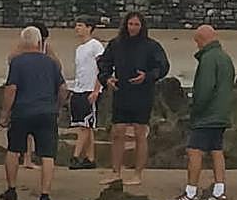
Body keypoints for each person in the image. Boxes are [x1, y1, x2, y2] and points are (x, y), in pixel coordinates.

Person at [96, 11, 170, 186]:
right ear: (125, 25)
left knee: (139, 133)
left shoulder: (151, 46)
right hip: (121, 92)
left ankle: (137, 174)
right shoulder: (116, 44)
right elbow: (103, 64)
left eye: (137, 24)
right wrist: (106, 79)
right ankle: (115, 172)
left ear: (142, 26)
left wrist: (148, 76)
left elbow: (163, 66)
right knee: (117, 132)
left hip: (142, 93)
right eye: (131, 24)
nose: (133, 27)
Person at [0, 26, 67, 200]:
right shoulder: (51, 63)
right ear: (39, 42)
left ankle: (11, 189)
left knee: (14, 150)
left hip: (22, 112)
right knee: (47, 155)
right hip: (47, 112)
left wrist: (5, 114)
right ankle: (45, 195)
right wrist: (58, 106)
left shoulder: (17, 62)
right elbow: (62, 88)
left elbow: (11, 89)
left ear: (22, 42)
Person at [168, 24, 235, 200]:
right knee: (216, 151)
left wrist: (195, 109)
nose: (196, 46)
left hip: (207, 115)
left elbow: (204, 89)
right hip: (221, 114)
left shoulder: (208, 59)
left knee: (194, 151)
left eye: (197, 41)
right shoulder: (225, 58)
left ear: (202, 40)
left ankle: (191, 192)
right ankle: (219, 191)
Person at [9, 23, 61, 170]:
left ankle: (28, 159)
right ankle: (26, 158)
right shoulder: (22, 47)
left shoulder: (46, 48)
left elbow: (57, 64)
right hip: (30, 90)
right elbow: (11, 58)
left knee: (31, 131)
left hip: (35, 92)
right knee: (28, 133)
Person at [68, 17, 105, 169]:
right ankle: (90, 159)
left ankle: (75, 156)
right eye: (77, 25)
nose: (77, 28)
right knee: (86, 126)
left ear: (89, 28)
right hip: (79, 88)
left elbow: (103, 68)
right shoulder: (79, 49)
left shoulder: (95, 45)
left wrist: (97, 89)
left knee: (85, 126)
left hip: (91, 89)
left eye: (81, 25)